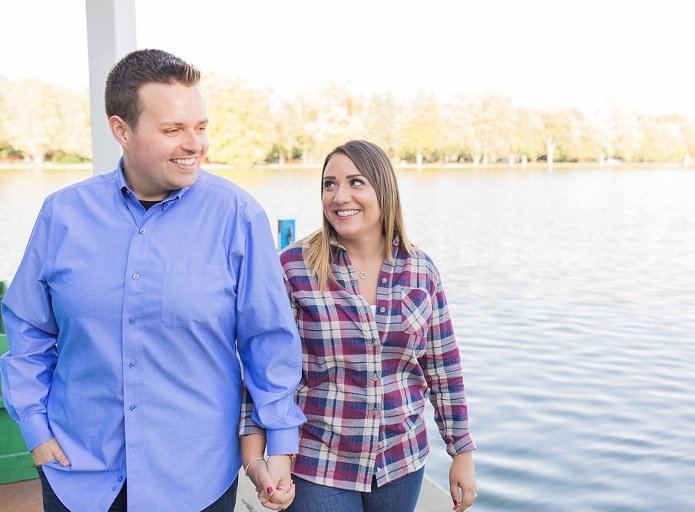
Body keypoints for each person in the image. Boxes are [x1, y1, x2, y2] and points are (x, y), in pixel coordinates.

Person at [0, 49, 304, 511]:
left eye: (200, 127)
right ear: (121, 130)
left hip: (195, 478)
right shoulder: (61, 216)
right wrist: (36, 430)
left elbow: (269, 341)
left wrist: (279, 445)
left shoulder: (238, 218)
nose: (195, 144)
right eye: (172, 130)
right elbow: (28, 331)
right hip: (77, 473)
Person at [241, 140, 477, 512]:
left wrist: (460, 450)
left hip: (402, 461)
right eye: (329, 184)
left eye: (356, 182)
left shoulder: (421, 271)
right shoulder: (292, 268)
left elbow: (444, 368)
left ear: (383, 189)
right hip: (319, 463)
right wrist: (266, 456)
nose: (339, 196)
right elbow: (263, 370)